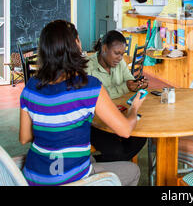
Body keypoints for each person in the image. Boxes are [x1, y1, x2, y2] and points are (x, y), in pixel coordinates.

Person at [19, 20, 145, 186]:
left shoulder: (30, 87)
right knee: (132, 170)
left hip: (33, 177)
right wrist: (134, 107)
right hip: (72, 179)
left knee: (93, 157)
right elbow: (126, 130)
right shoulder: (88, 86)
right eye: (78, 40)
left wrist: (53, 125)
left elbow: (24, 137)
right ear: (75, 46)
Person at [86, 30, 147, 162]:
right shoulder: (87, 67)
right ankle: (110, 163)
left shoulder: (120, 63)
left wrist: (138, 85)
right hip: (96, 122)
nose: (120, 58)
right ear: (104, 48)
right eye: (116, 53)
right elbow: (101, 96)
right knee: (116, 150)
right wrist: (126, 87)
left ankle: (105, 162)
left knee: (140, 138)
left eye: (122, 54)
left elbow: (129, 81)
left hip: (120, 114)